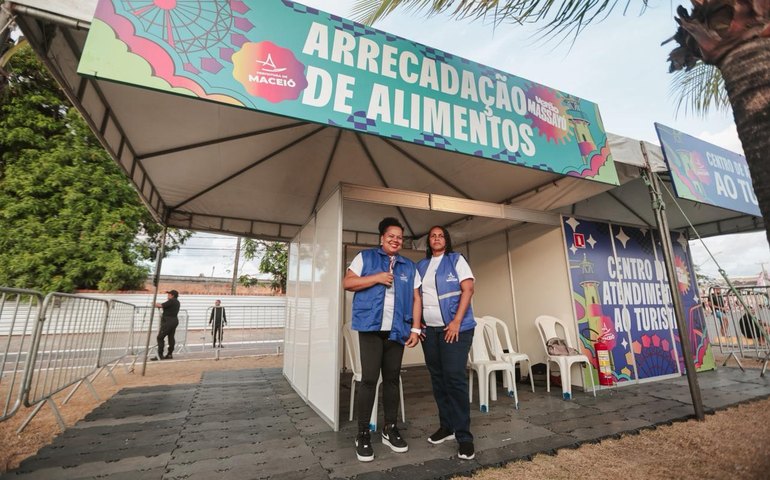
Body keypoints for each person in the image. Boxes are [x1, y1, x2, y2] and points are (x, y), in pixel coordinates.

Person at [343, 217, 422, 462]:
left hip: (397, 330)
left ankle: (390, 429)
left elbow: (417, 298)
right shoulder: (365, 258)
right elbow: (347, 282)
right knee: (368, 380)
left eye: (399, 237)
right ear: (382, 238)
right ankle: (363, 433)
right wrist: (376, 278)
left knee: (391, 380)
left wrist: (416, 329)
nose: (396, 240)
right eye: (391, 236)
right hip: (370, 328)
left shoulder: (409, 266)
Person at [417, 225, 477, 460]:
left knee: (454, 378)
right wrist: (417, 323)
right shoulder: (421, 266)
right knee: (438, 378)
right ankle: (447, 426)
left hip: (455, 329)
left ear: (446, 240)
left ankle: (464, 436)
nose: (437, 238)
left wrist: (456, 322)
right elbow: (416, 296)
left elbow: (468, 289)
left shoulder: (456, 260)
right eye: (432, 235)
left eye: (441, 235)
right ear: (428, 241)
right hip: (429, 332)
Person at [153, 290, 180, 360]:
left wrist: (154, 303)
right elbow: (165, 306)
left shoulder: (171, 301)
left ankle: (160, 355)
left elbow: (161, 305)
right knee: (171, 337)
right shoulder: (177, 302)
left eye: (169, 294)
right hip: (174, 321)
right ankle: (169, 354)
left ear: (172, 295)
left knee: (160, 337)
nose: (168, 295)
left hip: (168, 321)